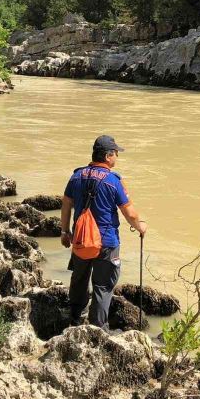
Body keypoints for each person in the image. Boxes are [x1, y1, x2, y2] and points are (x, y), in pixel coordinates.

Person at [61, 135, 147, 329]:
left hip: (81, 240)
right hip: (106, 243)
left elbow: (66, 204)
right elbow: (130, 213)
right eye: (116, 153)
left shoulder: (76, 176)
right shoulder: (113, 180)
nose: (116, 157)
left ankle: (74, 318)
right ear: (108, 156)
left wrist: (65, 232)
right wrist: (141, 226)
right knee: (103, 286)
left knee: (79, 279)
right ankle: (97, 329)